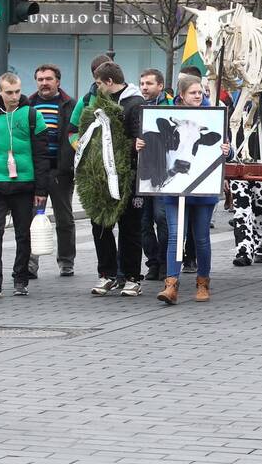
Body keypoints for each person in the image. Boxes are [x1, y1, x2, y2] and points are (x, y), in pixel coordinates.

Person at [155, 75, 232, 305]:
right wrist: (142, 145)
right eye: (194, 93)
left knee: (201, 238)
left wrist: (227, 150)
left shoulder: (215, 117)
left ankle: (202, 282)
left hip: (203, 189)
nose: (199, 96)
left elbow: (230, 150)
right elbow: (158, 144)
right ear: (182, 95)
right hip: (176, 187)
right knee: (176, 237)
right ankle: (171, 285)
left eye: (201, 92)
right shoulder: (169, 117)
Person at [0, 73, 50, 297]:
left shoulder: (33, 116)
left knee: (23, 234)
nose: (14, 96)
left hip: (25, 184)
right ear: (0, 92)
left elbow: (42, 156)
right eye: (9, 92)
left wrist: (41, 190)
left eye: (17, 92)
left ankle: (20, 279)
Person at [86, 62, 146, 296]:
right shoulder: (100, 103)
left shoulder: (135, 104)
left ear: (109, 82)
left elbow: (139, 140)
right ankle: (107, 273)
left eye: (99, 83)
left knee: (130, 227)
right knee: (100, 225)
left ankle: (131, 277)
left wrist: (126, 148)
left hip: (128, 175)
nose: (97, 87)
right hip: (102, 176)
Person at [28, 64, 76, 278]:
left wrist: (69, 165)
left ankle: (66, 261)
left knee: (64, 219)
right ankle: (29, 263)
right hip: (34, 172)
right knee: (29, 219)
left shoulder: (70, 105)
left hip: (60, 171)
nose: (44, 83)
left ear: (58, 81)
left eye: (48, 79)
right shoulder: (27, 105)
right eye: (40, 79)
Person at [229, 94, 262, 266]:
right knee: (241, 210)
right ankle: (244, 250)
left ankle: (261, 246)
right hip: (239, 167)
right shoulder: (234, 109)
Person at [137, 67, 174, 280]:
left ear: (160, 86)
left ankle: (164, 263)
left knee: (161, 217)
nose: (144, 87)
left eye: (149, 84)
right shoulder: (136, 106)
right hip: (142, 174)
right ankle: (152, 262)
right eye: (142, 83)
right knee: (143, 221)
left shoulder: (171, 107)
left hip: (163, 173)